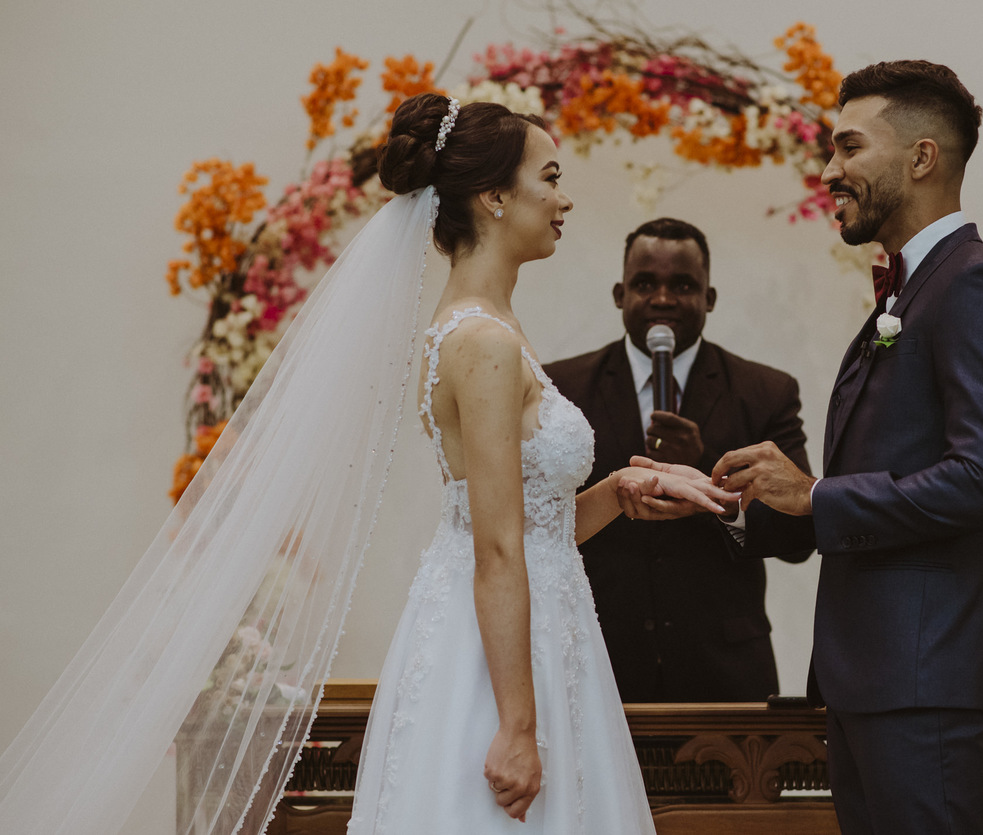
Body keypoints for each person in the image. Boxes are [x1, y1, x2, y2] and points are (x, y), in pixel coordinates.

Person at [0, 93, 735, 835]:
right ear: (492, 197)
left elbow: (533, 528)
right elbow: (497, 548)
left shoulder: (494, 327)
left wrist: (620, 487)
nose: (563, 197)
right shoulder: (481, 343)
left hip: (545, 631)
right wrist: (517, 725)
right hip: (499, 661)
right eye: (549, 176)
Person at [634, 62, 983, 833]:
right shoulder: (910, 292)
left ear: (922, 157)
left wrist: (816, 494)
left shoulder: (977, 286)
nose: (829, 171)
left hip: (927, 680)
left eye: (848, 147)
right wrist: (741, 495)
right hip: (877, 682)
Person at [544, 218, 813, 702]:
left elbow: (799, 538)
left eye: (683, 286)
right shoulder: (560, 389)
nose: (663, 299)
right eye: (645, 284)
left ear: (709, 298)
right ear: (619, 294)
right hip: (594, 666)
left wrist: (708, 469)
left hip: (724, 673)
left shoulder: (765, 392)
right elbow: (536, 522)